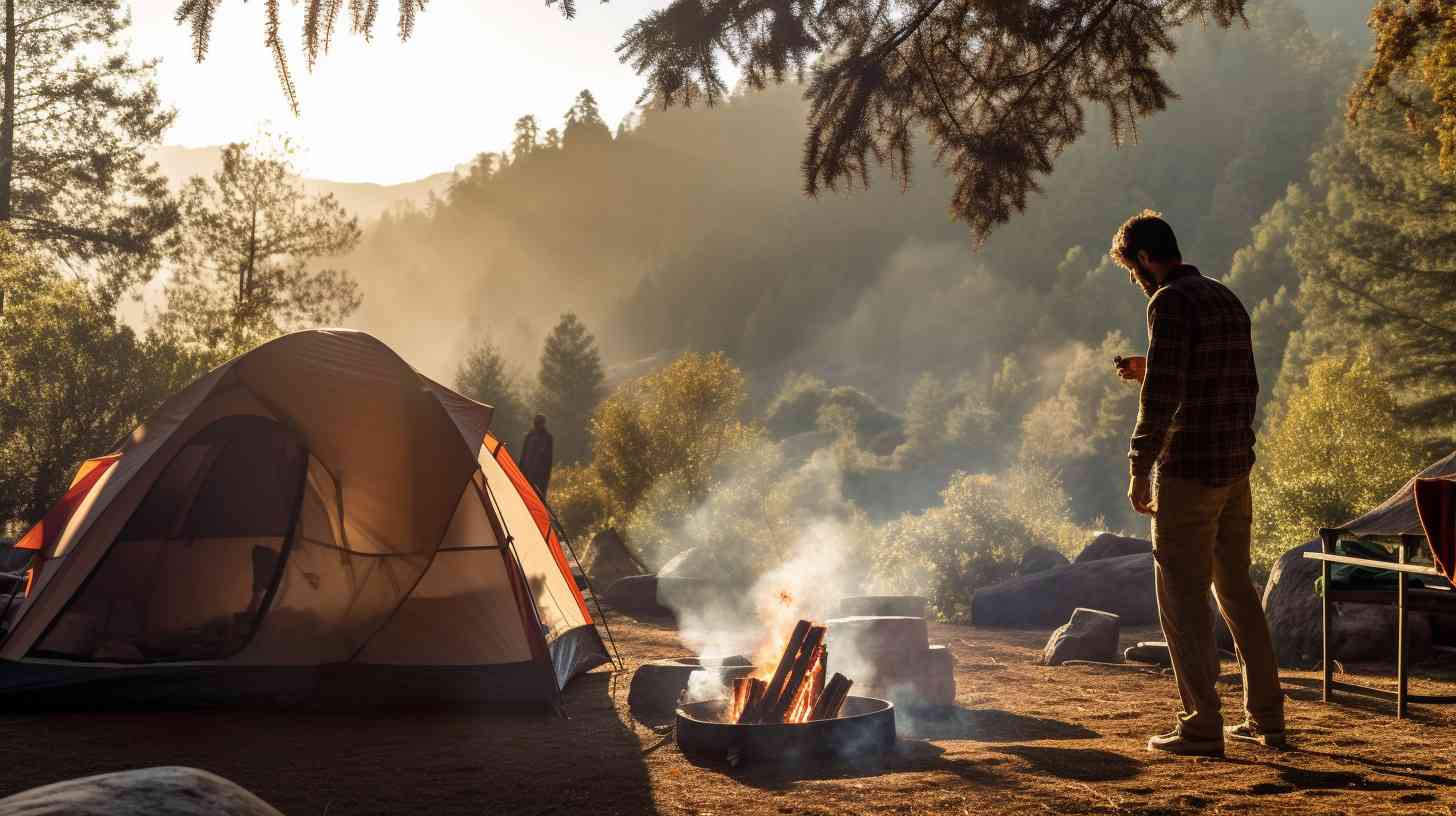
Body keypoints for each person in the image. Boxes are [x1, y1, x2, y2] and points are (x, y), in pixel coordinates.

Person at [1109, 210, 1284, 757]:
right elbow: (1233, 378)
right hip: (1235, 468)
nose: (1136, 280)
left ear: (1142, 259)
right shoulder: (1224, 298)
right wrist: (1152, 364)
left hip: (1190, 473)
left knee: (1182, 598)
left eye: (1132, 268)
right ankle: (1268, 719)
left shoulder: (1168, 303)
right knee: (1238, 594)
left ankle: (1201, 725)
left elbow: (1161, 396)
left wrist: (1139, 466)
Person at [519, 414, 554, 499]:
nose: (537, 425)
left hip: (540, 475)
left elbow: (549, 459)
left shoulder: (548, 438)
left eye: (539, 423)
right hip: (527, 472)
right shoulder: (529, 436)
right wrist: (520, 470)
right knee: (526, 495)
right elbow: (523, 454)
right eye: (536, 423)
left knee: (538, 497)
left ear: (543, 424)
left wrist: (547, 475)